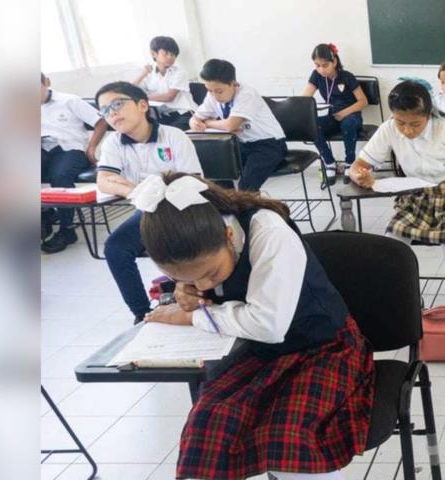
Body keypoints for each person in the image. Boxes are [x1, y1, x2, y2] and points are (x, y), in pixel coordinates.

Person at [134, 173, 408, 480]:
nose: (204, 284)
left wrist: (196, 315)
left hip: (324, 347)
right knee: (206, 431)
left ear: (228, 233)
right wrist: (190, 292)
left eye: (208, 273)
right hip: (257, 352)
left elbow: (269, 323)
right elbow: (231, 309)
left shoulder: (268, 233)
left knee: (288, 441)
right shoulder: (197, 240)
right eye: (188, 277)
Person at [347, 81, 445, 310]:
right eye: (400, 122)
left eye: (415, 124)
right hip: (415, 192)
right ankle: (411, 296)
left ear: (428, 115)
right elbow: (358, 165)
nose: (407, 130)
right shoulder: (389, 128)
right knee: (393, 243)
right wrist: (360, 176)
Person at [93, 81, 204, 322]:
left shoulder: (173, 136)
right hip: (146, 209)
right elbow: (104, 180)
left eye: (118, 104)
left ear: (143, 105)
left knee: (175, 244)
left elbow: (189, 182)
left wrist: (142, 191)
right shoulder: (113, 142)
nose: (111, 113)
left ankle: (194, 297)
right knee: (115, 248)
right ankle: (142, 313)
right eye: (104, 110)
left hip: (181, 207)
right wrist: (136, 191)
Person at [190, 58, 287, 192]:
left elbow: (231, 125)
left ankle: (247, 210)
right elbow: (194, 118)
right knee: (216, 174)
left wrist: (207, 123)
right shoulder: (212, 95)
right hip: (241, 145)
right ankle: (229, 207)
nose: (214, 96)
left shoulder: (247, 94)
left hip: (269, 145)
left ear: (233, 84)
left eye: (218, 91)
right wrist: (195, 122)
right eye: (209, 90)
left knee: (245, 189)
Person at [40, 73, 107, 253]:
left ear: (46, 83)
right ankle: (45, 215)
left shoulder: (69, 101)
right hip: (42, 149)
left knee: (60, 175)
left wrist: (92, 147)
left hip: (71, 149)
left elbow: (100, 121)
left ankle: (67, 229)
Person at [301, 43, 369, 178]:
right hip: (333, 116)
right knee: (313, 127)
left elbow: (363, 101)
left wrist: (344, 113)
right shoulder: (316, 76)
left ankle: (350, 162)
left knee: (348, 123)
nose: (321, 69)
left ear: (335, 61)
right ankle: (329, 162)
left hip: (352, 116)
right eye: (317, 65)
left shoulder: (347, 76)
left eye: (325, 65)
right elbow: (304, 99)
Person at [133, 35, 197, 129]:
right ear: (154, 54)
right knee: (148, 130)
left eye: (173, 55)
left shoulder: (179, 73)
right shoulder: (148, 74)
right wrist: (142, 74)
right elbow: (129, 91)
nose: (170, 57)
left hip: (185, 113)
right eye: (166, 54)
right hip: (164, 115)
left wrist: (143, 97)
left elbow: (169, 97)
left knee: (168, 133)